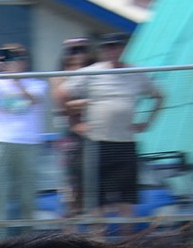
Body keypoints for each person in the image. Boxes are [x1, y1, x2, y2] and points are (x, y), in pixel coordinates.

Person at [63, 32, 165, 226]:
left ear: (123, 48)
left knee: (127, 200)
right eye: (108, 47)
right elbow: (62, 93)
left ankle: (127, 245)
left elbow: (159, 96)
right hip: (97, 143)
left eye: (116, 47)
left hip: (125, 143)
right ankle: (98, 244)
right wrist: (75, 122)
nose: (112, 51)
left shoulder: (135, 73)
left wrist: (147, 122)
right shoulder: (92, 72)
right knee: (97, 201)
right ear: (102, 50)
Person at [0, 43, 48, 236]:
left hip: (28, 144)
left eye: (19, 57)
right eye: (11, 57)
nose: (15, 60)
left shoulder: (36, 83)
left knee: (27, 196)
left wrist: (15, 78)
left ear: (27, 61)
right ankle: (0, 240)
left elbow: (33, 99)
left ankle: (27, 240)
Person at [51, 37, 96, 217]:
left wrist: (81, 104)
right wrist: (87, 104)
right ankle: (70, 233)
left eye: (81, 49)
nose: (77, 54)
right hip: (70, 132)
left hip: (94, 131)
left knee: (92, 183)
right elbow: (62, 103)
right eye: (72, 50)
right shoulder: (60, 76)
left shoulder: (95, 72)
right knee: (71, 182)